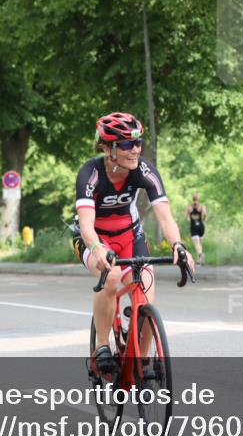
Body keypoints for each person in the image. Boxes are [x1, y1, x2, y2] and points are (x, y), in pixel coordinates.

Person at [75, 112, 195, 376]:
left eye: (138, 142)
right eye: (127, 144)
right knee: (112, 275)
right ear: (108, 148)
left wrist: (178, 245)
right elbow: (86, 225)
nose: (136, 150)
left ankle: (140, 362)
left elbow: (165, 216)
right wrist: (98, 249)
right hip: (95, 239)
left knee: (146, 292)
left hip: (130, 236)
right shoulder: (90, 173)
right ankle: (102, 347)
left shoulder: (144, 170)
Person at [185, 194, 208, 265]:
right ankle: (199, 260)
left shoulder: (189, 207)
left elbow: (186, 217)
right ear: (198, 199)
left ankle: (201, 255)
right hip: (201, 226)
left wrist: (189, 219)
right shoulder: (202, 207)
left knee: (197, 244)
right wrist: (204, 221)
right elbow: (205, 215)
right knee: (200, 244)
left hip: (194, 227)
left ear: (192, 199)